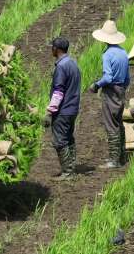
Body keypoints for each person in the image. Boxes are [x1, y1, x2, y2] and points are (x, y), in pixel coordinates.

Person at [88, 20, 130, 169]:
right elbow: (127, 78)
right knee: (118, 122)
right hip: (121, 90)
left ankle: (113, 160)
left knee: (111, 124)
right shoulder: (123, 52)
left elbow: (108, 78)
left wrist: (96, 85)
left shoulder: (107, 54)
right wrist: (122, 89)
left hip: (111, 91)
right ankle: (122, 155)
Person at [43, 38, 81, 181]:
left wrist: (49, 112)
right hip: (73, 108)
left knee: (59, 141)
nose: (51, 50)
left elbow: (58, 92)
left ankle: (67, 172)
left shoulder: (61, 67)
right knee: (69, 138)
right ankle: (71, 168)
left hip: (63, 110)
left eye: (52, 47)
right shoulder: (73, 63)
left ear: (56, 49)